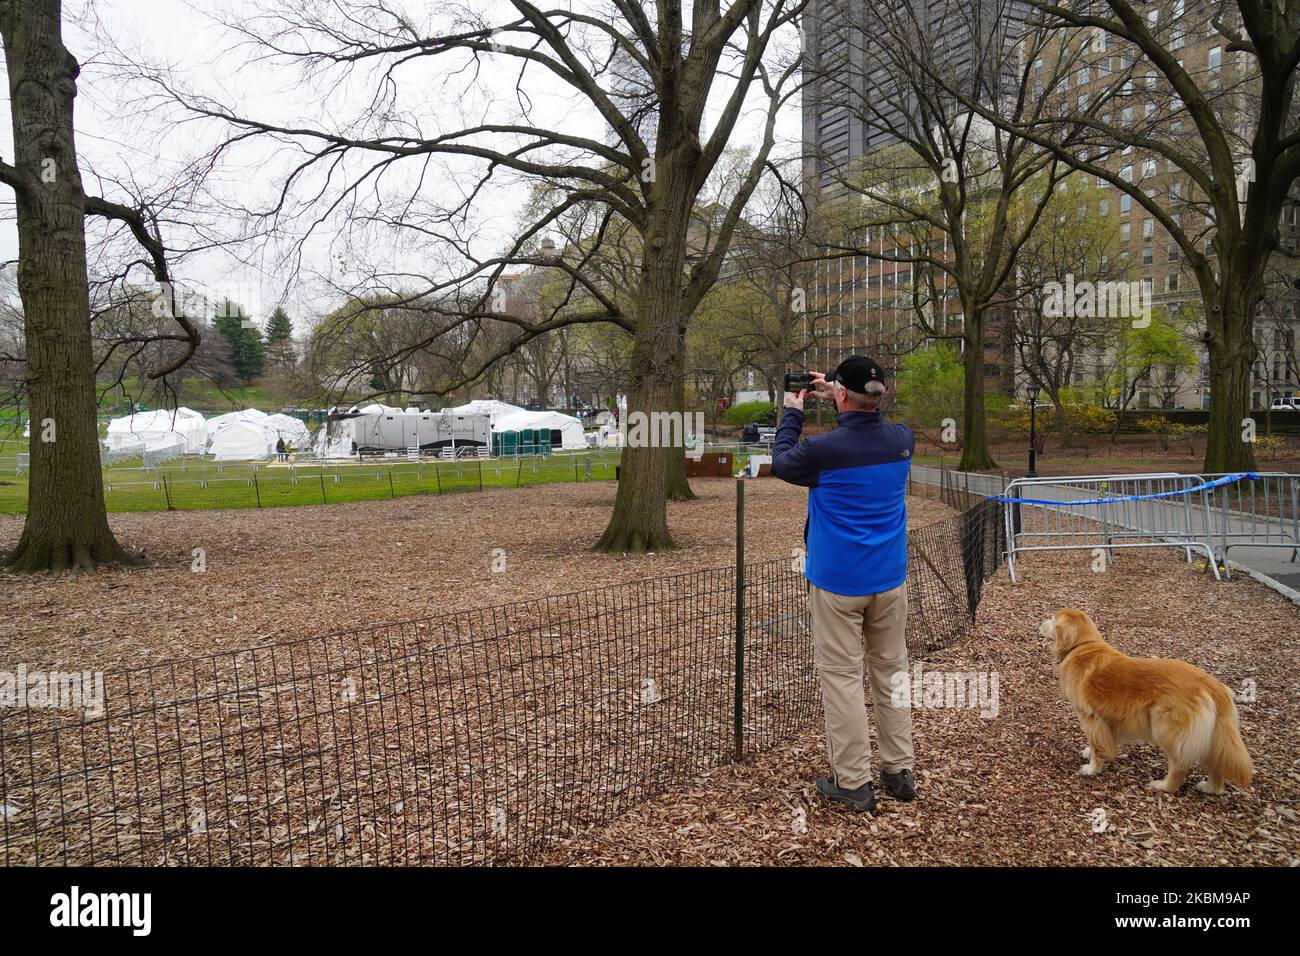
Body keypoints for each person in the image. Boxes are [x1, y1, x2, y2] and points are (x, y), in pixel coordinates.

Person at [771, 355, 916, 813]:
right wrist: (840, 390)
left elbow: (781, 461)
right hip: (890, 580)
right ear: (880, 396)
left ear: (840, 396)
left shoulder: (823, 452)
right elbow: (872, 421)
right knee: (891, 671)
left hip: (838, 584)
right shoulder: (902, 441)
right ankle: (898, 769)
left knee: (842, 679)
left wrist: (794, 410)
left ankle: (853, 781)